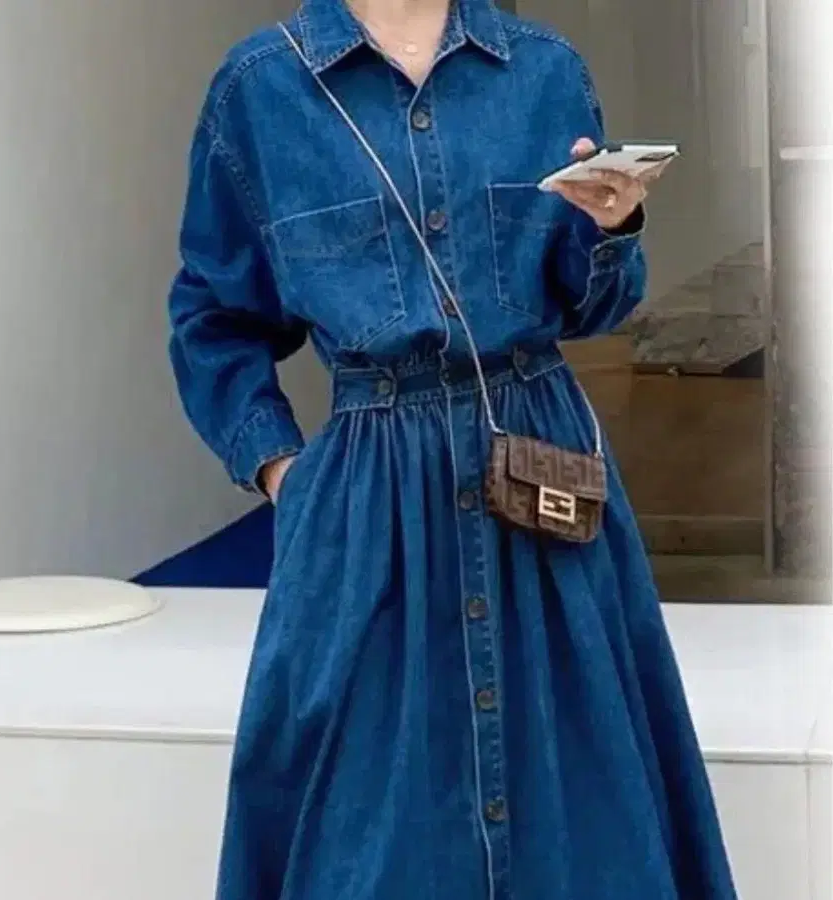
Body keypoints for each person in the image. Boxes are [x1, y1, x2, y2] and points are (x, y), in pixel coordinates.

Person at [168, 0, 739, 896]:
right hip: (370, 500)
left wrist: (612, 230)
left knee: (583, 807)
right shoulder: (262, 90)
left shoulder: (543, 71)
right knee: (364, 821)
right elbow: (212, 317)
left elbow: (591, 305)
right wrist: (283, 470)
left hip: (539, 472)